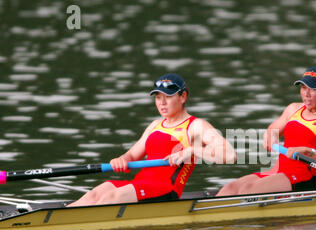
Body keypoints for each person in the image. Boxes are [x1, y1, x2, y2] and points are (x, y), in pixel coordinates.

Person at [69, 73, 236, 206]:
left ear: (183, 97)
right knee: (97, 193)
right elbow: (132, 156)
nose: (162, 103)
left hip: (165, 190)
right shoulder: (155, 125)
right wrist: (121, 159)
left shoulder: (196, 126)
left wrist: (191, 151)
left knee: (114, 196)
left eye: (168, 97)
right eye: (158, 97)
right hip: (139, 184)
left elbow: (229, 155)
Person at [216, 66, 316, 196]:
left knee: (248, 191)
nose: (306, 94)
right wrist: (270, 137)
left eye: (312, 89)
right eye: (303, 88)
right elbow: (271, 130)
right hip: (278, 170)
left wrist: (309, 152)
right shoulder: (293, 109)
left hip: (305, 177)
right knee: (229, 189)